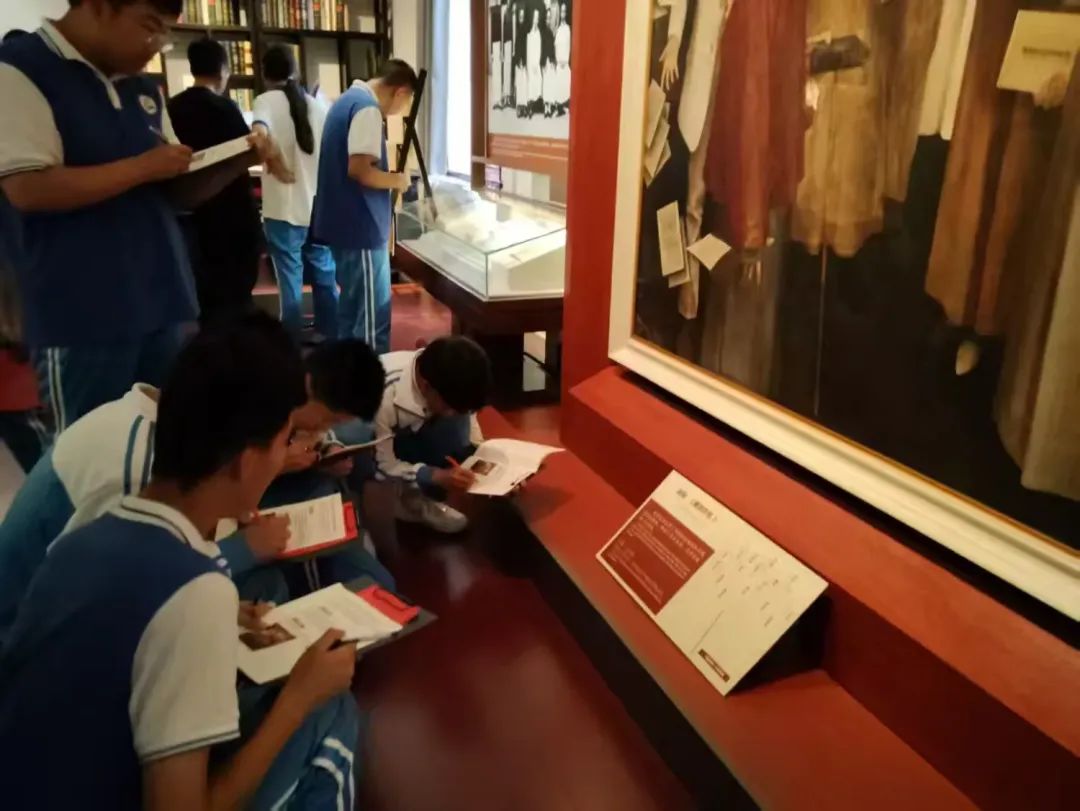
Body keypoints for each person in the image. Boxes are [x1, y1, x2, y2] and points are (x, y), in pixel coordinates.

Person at [0, 316, 361, 811]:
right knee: (333, 715)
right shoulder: (195, 592)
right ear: (245, 461)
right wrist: (300, 698)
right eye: (284, 443)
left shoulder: (92, 531)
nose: (287, 458)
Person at [0, 317, 389, 639]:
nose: (297, 445)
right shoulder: (136, 467)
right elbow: (103, 604)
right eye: (283, 437)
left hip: (92, 617)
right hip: (32, 648)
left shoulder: (156, 426)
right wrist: (240, 552)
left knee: (266, 590)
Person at [0, 1, 277, 432]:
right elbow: (28, 188)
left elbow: (176, 193)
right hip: (81, 313)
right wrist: (143, 167)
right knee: (91, 454)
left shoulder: (143, 89)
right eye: (150, 27)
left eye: (166, 32)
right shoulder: (21, 70)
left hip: (161, 300)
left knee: (164, 444)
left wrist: (239, 160)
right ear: (98, 7)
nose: (157, 45)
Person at [311, 58, 417, 354]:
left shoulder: (345, 102)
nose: (399, 110)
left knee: (351, 312)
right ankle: (370, 379)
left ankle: (348, 376)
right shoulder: (367, 109)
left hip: (344, 226)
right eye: (405, 102)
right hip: (361, 228)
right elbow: (360, 170)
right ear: (400, 91)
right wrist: (397, 180)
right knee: (371, 320)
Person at [168, 37, 264, 326]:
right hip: (232, 217)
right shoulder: (225, 108)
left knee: (204, 302)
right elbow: (248, 152)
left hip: (192, 219)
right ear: (224, 69)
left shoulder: (172, 108)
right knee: (235, 302)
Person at [355, 336, 492, 536]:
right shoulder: (380, 397)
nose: (456, 414)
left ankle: (422, 490)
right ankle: (408, 499)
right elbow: (382, 466)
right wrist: (434, 476)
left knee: (456, 426)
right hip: (366, 444)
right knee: (368, 467)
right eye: (450, 407)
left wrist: (490, 462)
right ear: (427, 386)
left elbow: (468, 415)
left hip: (409, 432)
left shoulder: (442, 378)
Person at [253, 44, 338, 341]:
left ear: (265, 74)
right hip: (317, 208)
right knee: (325, 274)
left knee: (290, 279)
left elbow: (258, 136)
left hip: (283, 209)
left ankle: (290, 343)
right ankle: (329, 335)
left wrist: (274, 162)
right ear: (296, 71)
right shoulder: (318, 106)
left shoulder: (265, 101)